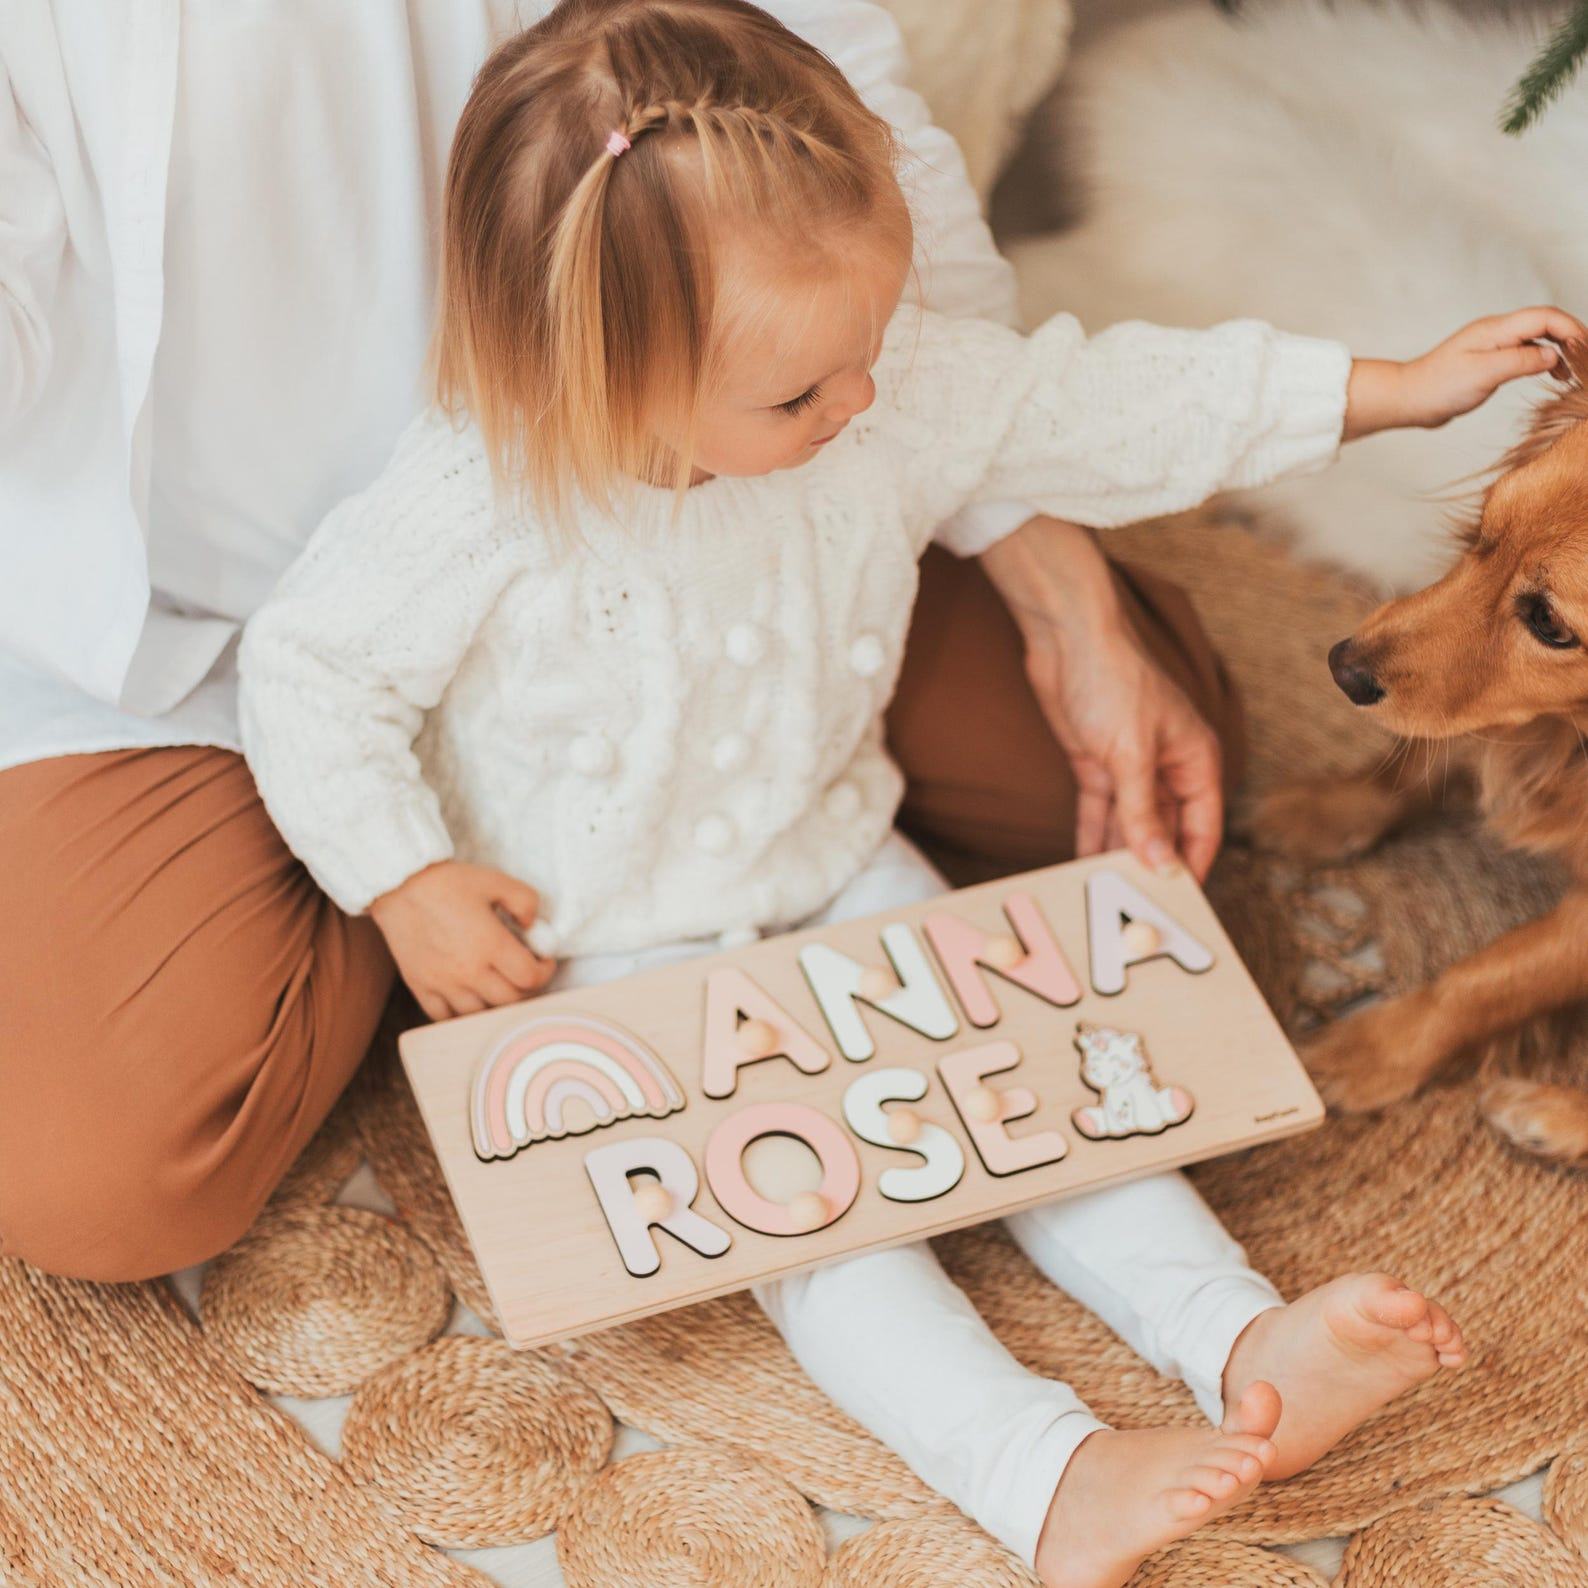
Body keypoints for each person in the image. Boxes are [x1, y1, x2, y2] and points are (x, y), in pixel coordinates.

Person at [235, 4, 1582, 1581]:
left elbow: (1109, 404)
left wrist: (1382, 387)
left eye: (874, 353)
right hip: (614, 935)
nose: (864, 407)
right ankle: (1040, 1468)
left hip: (836, 845)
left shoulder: (878, 390)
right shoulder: (479, 496)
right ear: (599, 375)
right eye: (805, 397)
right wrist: (401, 874)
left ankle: (1238, 1337)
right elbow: (311, 673)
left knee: (1068, 1088)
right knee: (829, 1238)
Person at [0, 0, 1232, 1286]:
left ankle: (498, 861)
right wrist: (390, 860)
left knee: (1127, 799)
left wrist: (1057, 589)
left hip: (677, 487)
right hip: (206, 609)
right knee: (107, 1181)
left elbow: (823, 102)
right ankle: (401, 846)